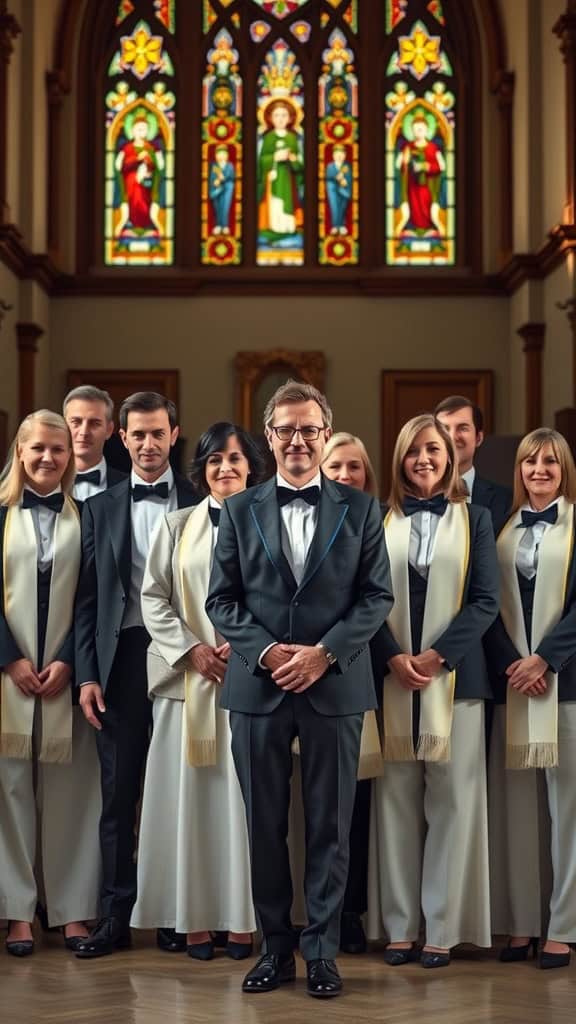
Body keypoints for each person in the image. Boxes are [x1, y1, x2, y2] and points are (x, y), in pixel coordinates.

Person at [206, 380, 392, 998]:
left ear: (324, 432)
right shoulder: (236, 510)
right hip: (256, 689)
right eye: (285, 428)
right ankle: (275, 951)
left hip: (334, 686)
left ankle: (321, 952)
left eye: (309, 428)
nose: (297, 439)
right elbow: (221, 600)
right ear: (269, 436)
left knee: (330, 829)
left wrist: (324, 654)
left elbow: (376, 599)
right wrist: (264, 651)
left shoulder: (361, 510)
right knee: (264, 826)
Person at [368, 413, 498, 968]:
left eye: (434, 449)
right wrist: (393, 656)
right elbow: (362, 600)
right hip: (391, 677)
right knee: (394, 802)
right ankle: (400, 927)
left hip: (456, 680)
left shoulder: (479, 520)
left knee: (451, 802)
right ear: (399, 458)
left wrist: (439, 655)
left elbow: (486, 600)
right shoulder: (377, 519)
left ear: (451, 457)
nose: (424, 459)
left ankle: (441, 928)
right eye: (414, 450)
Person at [132, 423, 264, 959]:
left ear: (252, 466)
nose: (225, 468)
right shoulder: (176, 525)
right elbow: (153, 597)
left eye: (234, 458)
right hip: (185, 683)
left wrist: (247, 644)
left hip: (248, 681)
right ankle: (192, 922)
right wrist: (192, 650)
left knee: (242, 805)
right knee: (186, 806)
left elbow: (285, 595)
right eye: (214, 460)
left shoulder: (268, 522)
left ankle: (240, 921)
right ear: (201, 469)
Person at [74, 393, 197, 959]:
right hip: (121, 657)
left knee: (180, 789)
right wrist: (87, 675)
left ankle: (177, 914)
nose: (148, 445)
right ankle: (115, 917)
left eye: (157, 433)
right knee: (119, 794)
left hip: (189, 661)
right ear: (121, 439)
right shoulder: (98, 507)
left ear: (175, 434)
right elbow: (87, 601)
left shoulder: (208, 499)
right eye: (137, 435)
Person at [0, 411, 101, 956]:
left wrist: (67, 660)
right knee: (9, 789)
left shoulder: (87, 517)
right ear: (19, 451)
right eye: (38, 448)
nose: (48, 458)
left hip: (68, 675)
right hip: (7, 675)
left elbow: (92, 598)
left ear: (70, 457)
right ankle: (17, 911)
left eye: (58, 450)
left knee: (72, 790)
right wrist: (10, 659)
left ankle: (71, 910)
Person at [485, 428, 576, 969]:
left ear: (565, 468)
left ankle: (563, 925)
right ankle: (521, 925)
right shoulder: (500, 529)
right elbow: (483, 606)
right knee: (517, 811)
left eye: (550, 461)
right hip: (512, 686)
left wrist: (545, 659)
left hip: (566, 685)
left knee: (568, 812)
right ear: (518, 470)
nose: (539, 469)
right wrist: (511, 662)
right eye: (529, 461)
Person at [320, 432, 379, 955]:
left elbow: (374, 596)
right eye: (334, 465)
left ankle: (349, 911)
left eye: (353, 467)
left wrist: (330, 650)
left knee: (350, 803)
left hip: (357, 669)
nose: (343, 475)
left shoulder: (369, 518)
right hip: (291, 675)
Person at [435, 395, 511, 535]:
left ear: (478, 438)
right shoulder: (413, 499)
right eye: (444, 429)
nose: (452, 437)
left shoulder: (506, 501)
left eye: (462, 428)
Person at [63, 385, 126, 500]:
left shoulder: (129, 486)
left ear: (109, 430)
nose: (84, 432)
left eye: (94, 423)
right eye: (76, 422)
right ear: (63, 427)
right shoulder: (43, 484)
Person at [257, 101, 304, 242]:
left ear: (290, 118)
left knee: (287, 202)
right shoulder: (268, 137)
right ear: (270, 118)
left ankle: (288, 228)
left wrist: (292, 158)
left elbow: (299, 164)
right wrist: (275, 157)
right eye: (276, 115)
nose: (280, 119)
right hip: (272, 178)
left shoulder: (292, 138)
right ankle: (273, 227)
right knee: (274, 203)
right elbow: (261, 160)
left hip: (288, 179)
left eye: (284, 115)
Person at [114, 111, 164, 238]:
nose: (143, 132)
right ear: (133, 131)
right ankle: (131, 223)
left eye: (145, 129)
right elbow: (120, 166)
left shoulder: (151, 148)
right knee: (135, 194)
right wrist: (137, 160)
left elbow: (158, 166)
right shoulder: (128, 148)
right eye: (140, 129)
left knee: (145, 198)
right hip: (130, 181)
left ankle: (146, 224)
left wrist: (148, 163)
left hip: (148, 182)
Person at [209, 146, 235, 235]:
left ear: (227, 155)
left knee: (225, 207)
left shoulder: (230, 165)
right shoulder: (214, 166)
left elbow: (229, 176)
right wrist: (215, 181)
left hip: (228, 188)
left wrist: (220, 179)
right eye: (219, 154)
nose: (221, 156)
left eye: (223, 154)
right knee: (217, 207)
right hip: (216, 189)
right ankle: (218, 225)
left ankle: (225, 226)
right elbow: (212, 176)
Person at [326, 146, 352, 236]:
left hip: (344, 191)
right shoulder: (330, 166)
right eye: (337, 154)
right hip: (333, 190)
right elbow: (329, 176)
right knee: (335, 208)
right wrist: (338, 178)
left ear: (345, 155)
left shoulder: (346, 166)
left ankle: (341, 225)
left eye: (341, 154)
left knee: (342, 207)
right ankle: (335, 226)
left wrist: (346, 181)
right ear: (333, 156)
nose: (339, 156)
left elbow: (349, 176)